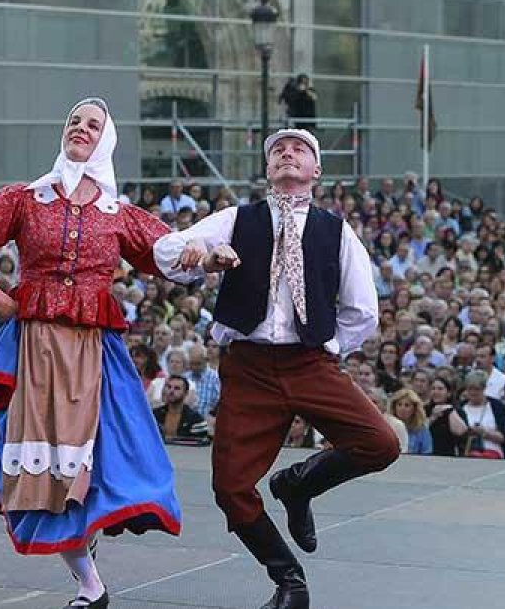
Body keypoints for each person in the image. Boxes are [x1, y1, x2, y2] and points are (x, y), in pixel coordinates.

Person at [0, 97, 181, 609]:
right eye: (75, 121)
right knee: (37, 464)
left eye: (93, 125)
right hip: (32, 347)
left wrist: (214, 252)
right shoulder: (28, 198)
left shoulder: (119, 213)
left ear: (106, 139)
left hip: (92, 352)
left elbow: (172, 251)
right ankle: (90, 583)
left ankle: (90, 544)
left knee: (107, 452)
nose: (81, 129)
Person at [155, 128, 398, 609]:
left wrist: (326, 347)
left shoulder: (335, 229)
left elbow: (362, 309)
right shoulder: (236, 219)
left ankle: (297, 484)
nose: (289, 154)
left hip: (309, 361)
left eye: (301, 150)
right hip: (249, 367)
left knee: (381, 443)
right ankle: (289, 579)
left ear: (316, 171)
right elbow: (167, 252)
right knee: (230, 487)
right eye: (279, 151)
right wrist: (205, 259)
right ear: (268, 170)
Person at [152, 375, 209, 441]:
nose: (171, 391)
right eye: (169, 387)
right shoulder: (154, 416)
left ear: (186, 393)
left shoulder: (196, 420)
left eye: (177, 388)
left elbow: (199, 447)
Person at [389, 387, 432, 455]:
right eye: (399, 405)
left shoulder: (421, 429)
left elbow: (427, 453)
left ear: (414, 408)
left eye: (407, 405)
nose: (402, 408)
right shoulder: (389, 426)